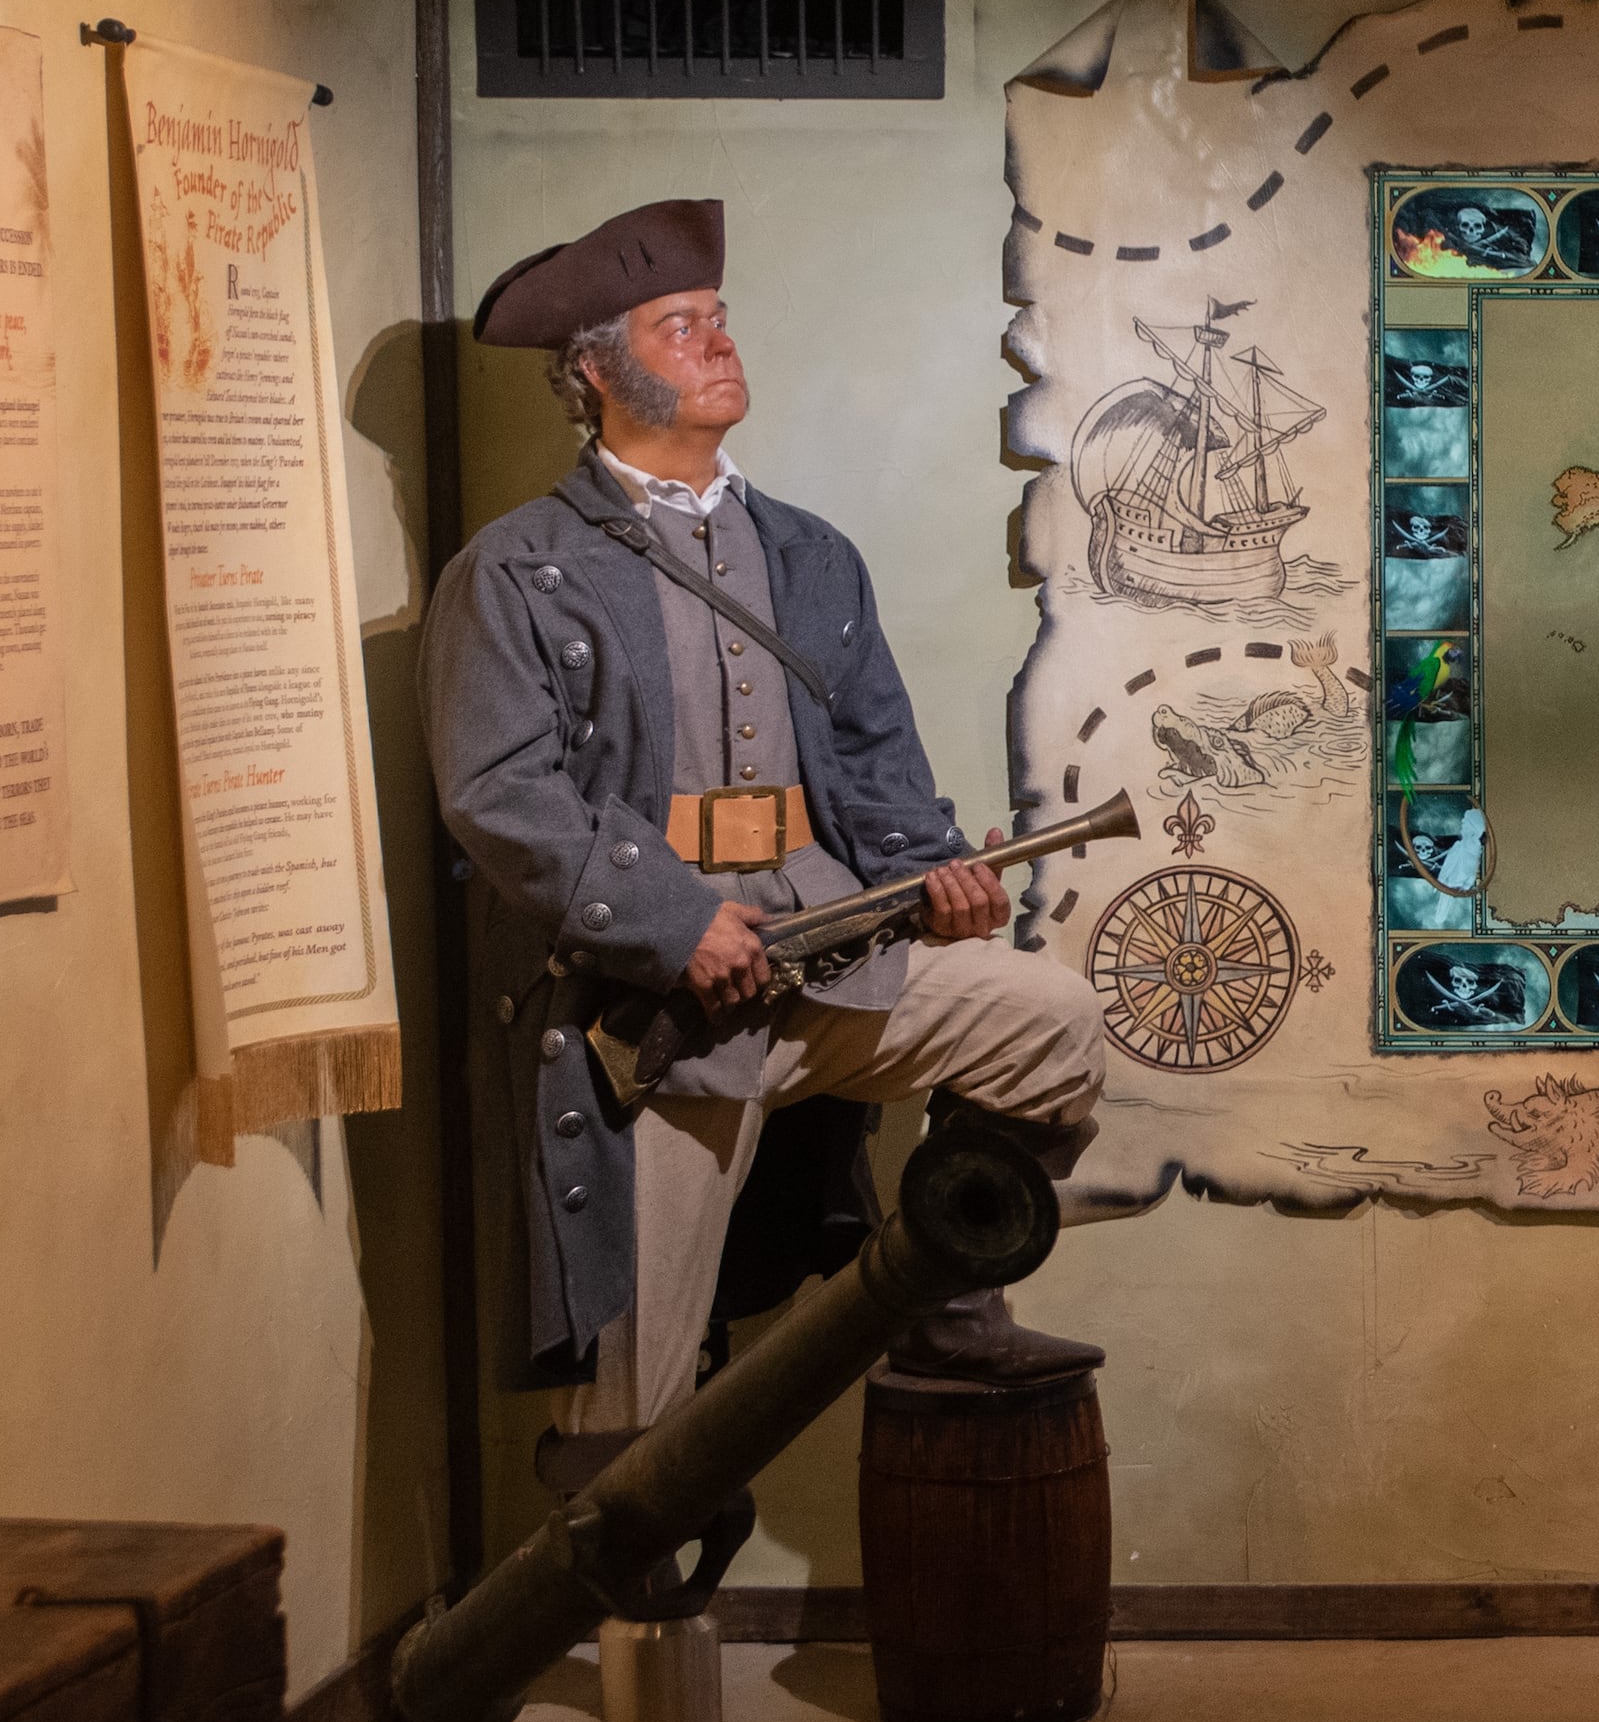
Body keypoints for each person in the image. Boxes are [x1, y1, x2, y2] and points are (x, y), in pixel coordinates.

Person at [424, 197, 1111, 1450]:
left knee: (1051, 1026)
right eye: (679, 325)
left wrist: (933, 875)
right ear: (593, 372)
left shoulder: (810, 555)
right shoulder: (518, 570)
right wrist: (677, 918)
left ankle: (942, 1296)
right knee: (637, 1407)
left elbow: (876, 761)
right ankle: (636, 1638)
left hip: (834, 969)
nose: (718, 343)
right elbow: (500, 795)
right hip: (661, 1018)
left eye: (719, 320)